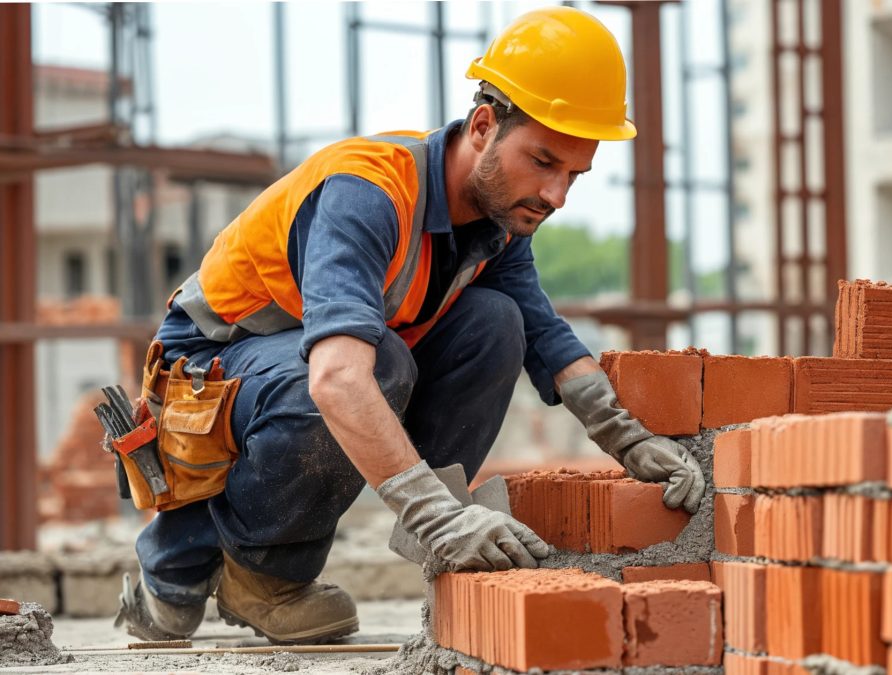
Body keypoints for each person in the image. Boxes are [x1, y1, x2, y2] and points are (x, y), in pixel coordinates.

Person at [115, 5, 706, 646]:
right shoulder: (366, 192)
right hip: (209, 374)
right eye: (543, 161)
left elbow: (545, 334)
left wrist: (628, 438)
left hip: (299, 371)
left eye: (574, 175)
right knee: (378, 365)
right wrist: (437, 517)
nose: (556, 195)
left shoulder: (498, 218)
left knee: (496, 323)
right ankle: (243, 573)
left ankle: (405, 549)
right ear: (483, 125)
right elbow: (337, 379)